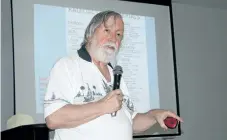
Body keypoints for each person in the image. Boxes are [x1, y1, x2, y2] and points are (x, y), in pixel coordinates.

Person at [44, 10, 183, 140]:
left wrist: (153, 115)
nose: (113, 38)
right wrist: (102, 106)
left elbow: (131, 122)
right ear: (90, 34)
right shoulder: (68, 65)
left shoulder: (116, 74)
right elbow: (54, 118)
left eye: (118, 34)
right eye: (107, 30)